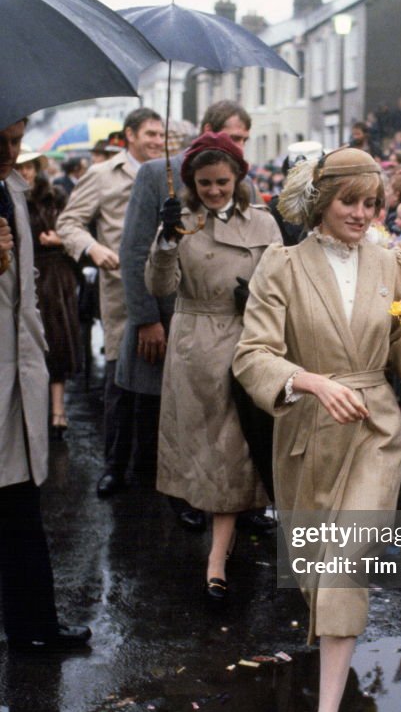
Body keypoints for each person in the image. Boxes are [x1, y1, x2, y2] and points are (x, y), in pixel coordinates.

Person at [232, 147, 401, 712]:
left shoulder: (395, 261)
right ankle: (325, 665)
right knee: (316, 568)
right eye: (349, 200)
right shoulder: (281, 265)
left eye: (371, 203)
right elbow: (252, 356)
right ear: (321, 200)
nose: (361, 214)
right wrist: (310, 381)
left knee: (345, 562)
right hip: (306, 433)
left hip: (375, 429)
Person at [117, 101, 266, 533]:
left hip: (238, 326)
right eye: (230, 137)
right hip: (182, 320)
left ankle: (243, 502)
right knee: (184, 419)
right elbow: (135, 253)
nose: (236, 149)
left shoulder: (249, 194)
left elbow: (267, 258)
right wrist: (147, 318)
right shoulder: (156, 179)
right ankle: (185, 496)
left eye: (241, 142)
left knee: (240, 422)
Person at [145, 131, 282, 604]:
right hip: (196, 347)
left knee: (234, 452)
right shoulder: (179, 221)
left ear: (239, 177)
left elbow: (283, 281)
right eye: (204, 183)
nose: (215, 191)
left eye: (222, 182)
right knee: (207, 452)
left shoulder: (264, 223)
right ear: (191, 182)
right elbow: (160, 286)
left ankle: (216, 559)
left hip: (249, 342)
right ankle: (211, 540)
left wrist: (262, 301)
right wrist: (164, 241)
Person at [0, 118, 91, 652]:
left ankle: (34, 627)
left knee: (20, 504)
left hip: (19, 372)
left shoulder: (13, 189)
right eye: (3, 143)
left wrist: (38, 355)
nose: (13, 153)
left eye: (18, 141)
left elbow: (25, 291)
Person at [57, 108, 165, 497]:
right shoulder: (104, 175)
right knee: (121, 383)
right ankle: (115, 467)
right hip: (121, 291)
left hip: (166, 290)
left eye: (161, 135)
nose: (157, 141)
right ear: (129, 135)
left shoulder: (171, 173)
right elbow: (68, 222)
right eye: (150, 134)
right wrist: (94, 249)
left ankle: (154, 469)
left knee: (162, 384)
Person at [17, 148, 81, 437]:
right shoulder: (8, 200)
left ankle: (58, 411)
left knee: (55, 345)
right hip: (18, 278)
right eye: (20, 167)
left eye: (29, 166)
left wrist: (60, 239)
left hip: (53, 278)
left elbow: (77, 229)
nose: (25, 173)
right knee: (25, 349)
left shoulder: (55, 197)